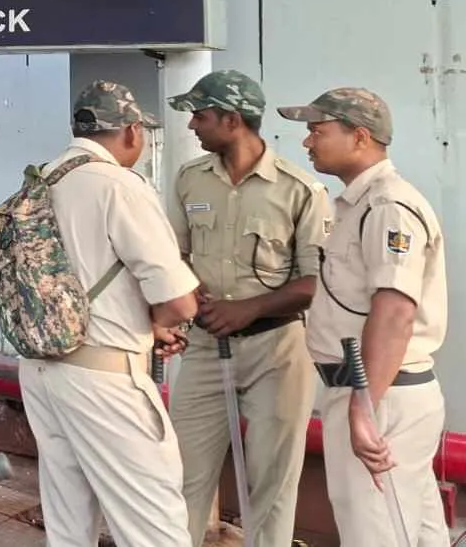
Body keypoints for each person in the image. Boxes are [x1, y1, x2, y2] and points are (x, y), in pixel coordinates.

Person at [19, 81, 198, 547]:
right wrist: (164, 320)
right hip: (104, 376)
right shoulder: (119, 185)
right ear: (132, 131)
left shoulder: (42, 178)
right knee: (153, 523)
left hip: (41, 370)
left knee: (68, 520)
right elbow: (179, 300)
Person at [164, 70, 330, 547]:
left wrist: (249, 308)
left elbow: (315, 281)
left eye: (200, 115)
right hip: (204, 346)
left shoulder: (299, 189)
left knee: (271, 483)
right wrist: (189, 292)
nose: (192, 125)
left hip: (277, 348)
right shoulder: (190, 180)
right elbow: (171, 254)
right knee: (181, 475)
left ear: (232, 120)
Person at [277, 88, 450, 545]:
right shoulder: (359, 204)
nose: (307, 143)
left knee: (374, 531)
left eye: (317, 131)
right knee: (413, 530)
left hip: (380, 393)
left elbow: (395, 313)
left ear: (359, 136)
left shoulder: (387, 206)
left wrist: (364, 406)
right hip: (376, 390)